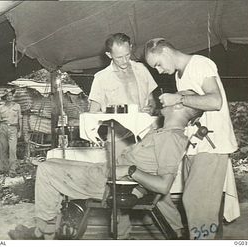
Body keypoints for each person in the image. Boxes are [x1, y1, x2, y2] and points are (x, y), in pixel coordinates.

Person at [31, 92, 202, 240]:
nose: (165, 97)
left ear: (179, 106)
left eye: (177, 95)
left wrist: (130, 170)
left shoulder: (170, 138)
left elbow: (164, 185)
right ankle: (47, 226)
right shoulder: (164, 132)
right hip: (110, 174)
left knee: (46, 169)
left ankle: (45, 232)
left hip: (115, 183)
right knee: (53, 162)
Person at [144, 38, 238, 239]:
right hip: (195, 145)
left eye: (158, 64)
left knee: (196, 202)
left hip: (212, 146)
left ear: (167, 51)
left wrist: (178, 98)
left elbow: (215, 101)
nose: (159, 71)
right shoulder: (180, 75)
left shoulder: (200, 64)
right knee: (200, 204)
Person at [88, 33, 158, 238]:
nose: (125, 61)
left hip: (145, 135)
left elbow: (152, 102)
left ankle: (177, 231)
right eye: (119, 57)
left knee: (156, 177)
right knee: (120, 187)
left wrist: (150, 108)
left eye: (128, 55)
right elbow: (93, 111)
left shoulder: (141, 69)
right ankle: (122, 236)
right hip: (118, 138)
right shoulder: (101, 78)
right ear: (109, 54)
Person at [0, 88, 23, 186]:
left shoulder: (17, 106)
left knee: (12, 149)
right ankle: (3, 169)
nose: (10, 97)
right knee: (3, 149)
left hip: (13, 129)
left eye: (11, 96)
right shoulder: (1, 108)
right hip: (3, 128)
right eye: (8, 96)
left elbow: (20, 118)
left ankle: (12, 171)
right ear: (5, 98)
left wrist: (20, 130)